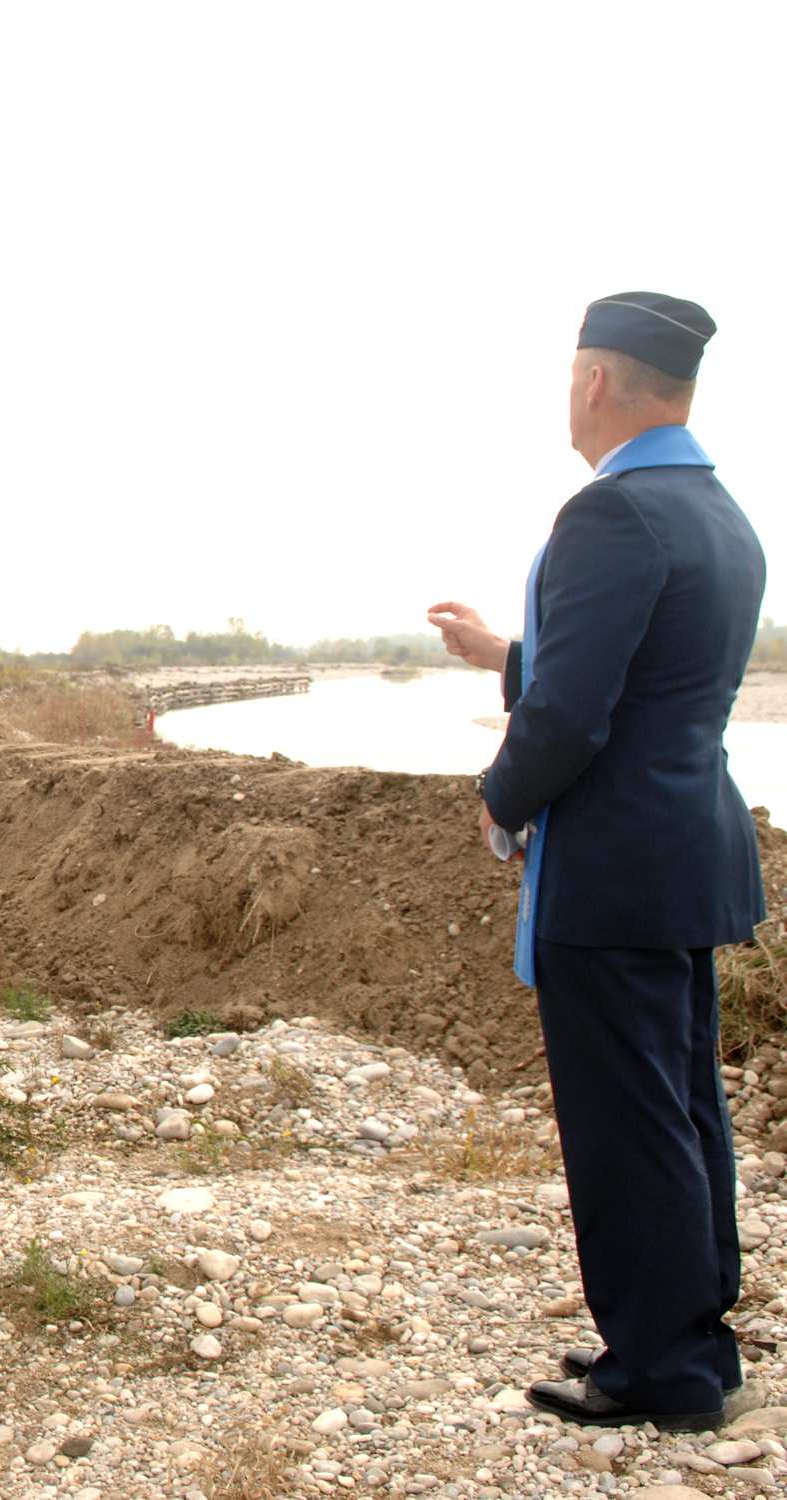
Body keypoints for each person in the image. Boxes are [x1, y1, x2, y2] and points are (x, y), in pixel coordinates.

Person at [429, 292, 764, 1432]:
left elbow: (575, 714)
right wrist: (502, 654)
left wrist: (500, 797)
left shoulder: (610, 513)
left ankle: (659, 1369)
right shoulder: (718, 512)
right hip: (685, 852)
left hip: (611, 868)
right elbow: (643, 671)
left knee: (628, 1124)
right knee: (681, 1108)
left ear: (595, 380)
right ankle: (694, 1342)